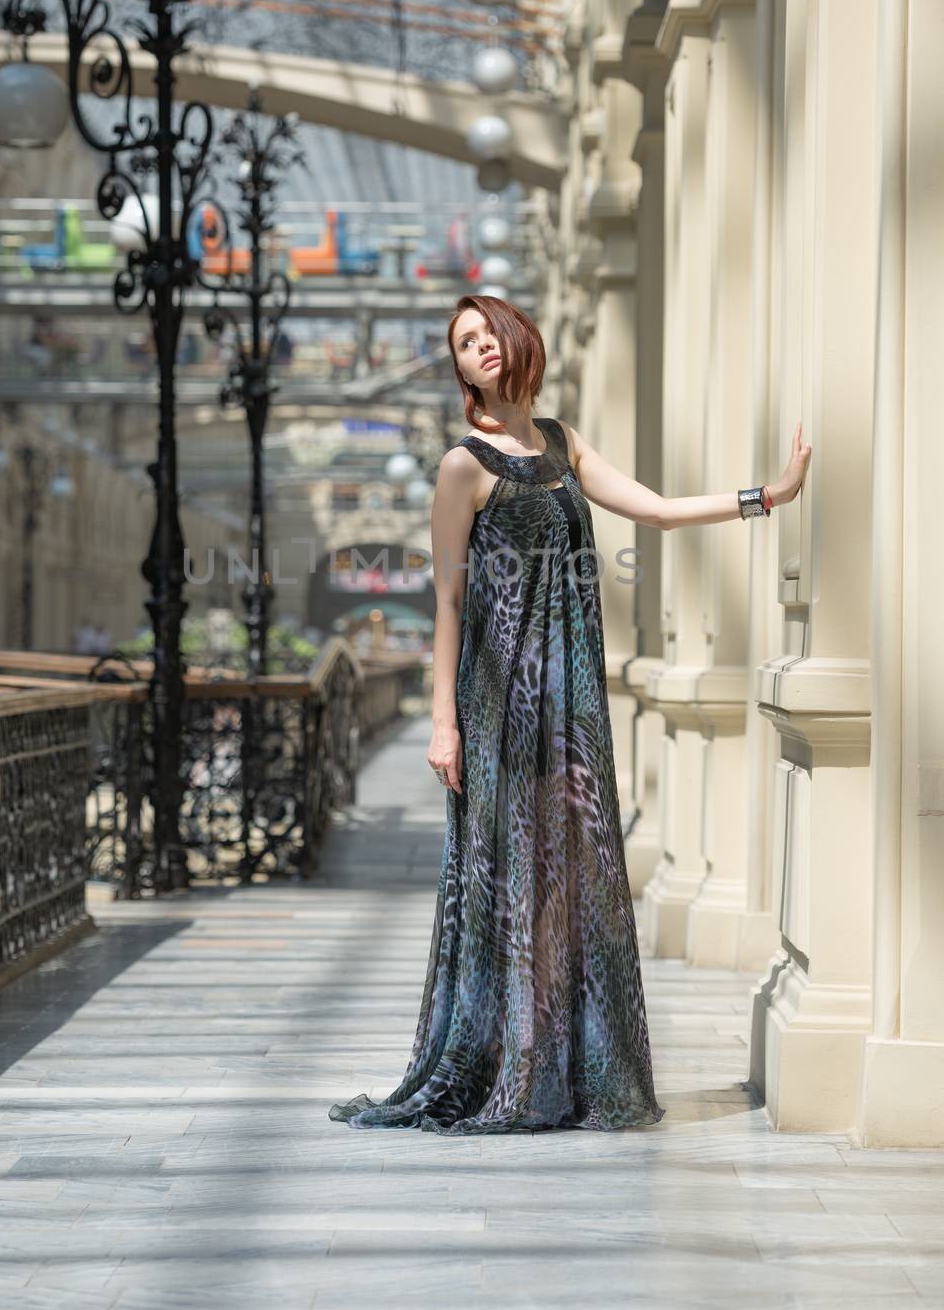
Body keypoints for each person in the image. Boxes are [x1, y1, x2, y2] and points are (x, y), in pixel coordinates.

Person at [329, 293, 812, 1136]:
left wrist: (764, 497)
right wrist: (443, 722)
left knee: (577, 876)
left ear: (517, 342)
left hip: (573, 697)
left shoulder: (560, 442)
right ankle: (509, 1069)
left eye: (485, 335)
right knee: (507, 878)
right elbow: (444, 600)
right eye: (462, 345)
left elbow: (654, 510)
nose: (477, 350)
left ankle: (575, 1070)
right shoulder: (461, 466)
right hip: (497, 701)